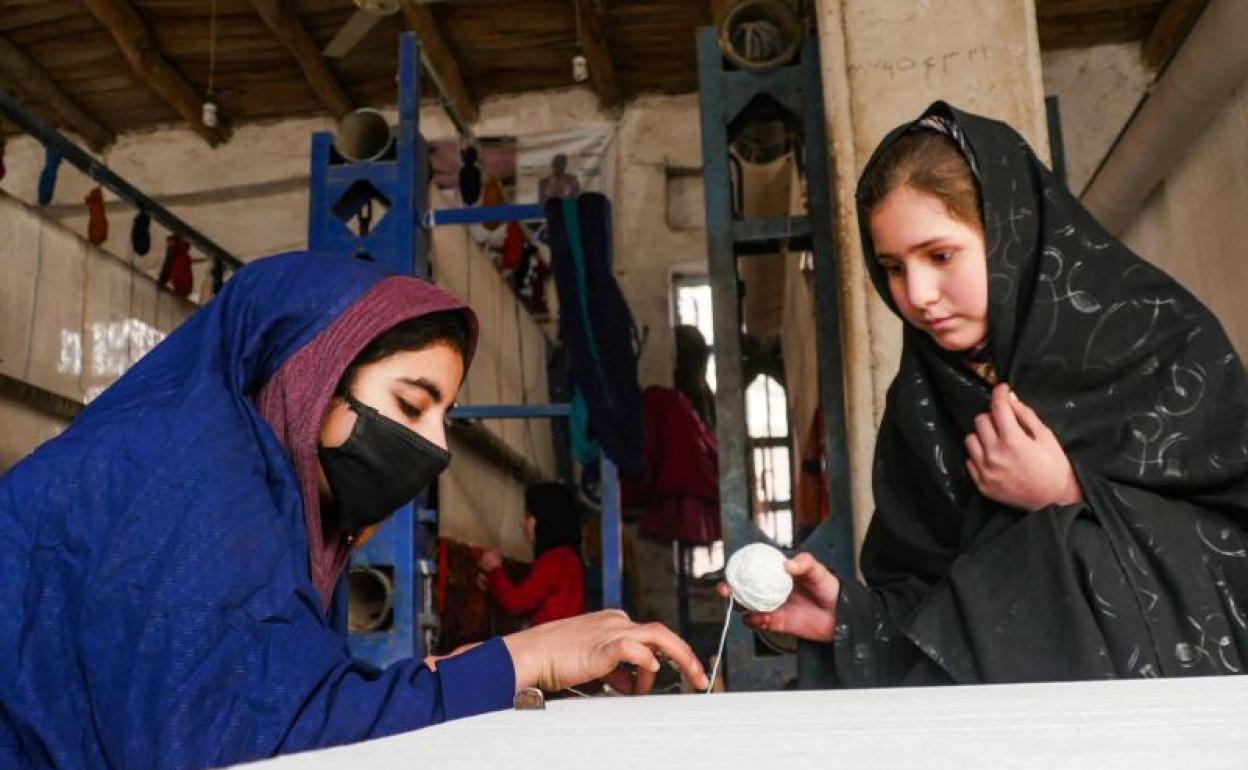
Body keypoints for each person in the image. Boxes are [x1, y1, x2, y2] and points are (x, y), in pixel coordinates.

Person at [0, 252, 707, 769]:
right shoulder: (192, 482)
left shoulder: (247, 488)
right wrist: (522, 657)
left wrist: (449, 675)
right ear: (313, 376)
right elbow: (239, 745)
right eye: (410, 404)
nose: (434, 445)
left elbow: (255, 690)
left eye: (444, 416)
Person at [724, 101, 1248, 685]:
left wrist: (1068, 493)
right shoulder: (922, 405)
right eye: (893, 268)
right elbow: (936, 609)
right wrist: (848, 620)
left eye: (940, 255)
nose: (917, 294)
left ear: (1009, 235)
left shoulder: (1158, 341)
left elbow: (1233, 538)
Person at [478, 483, 585, 626]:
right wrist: (494, 583)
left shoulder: (554, 560)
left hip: (549, 643)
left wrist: (494, 569)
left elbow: (517, 603)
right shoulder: (569, 558)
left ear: (544, 519)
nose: (522, 522)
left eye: (528, 516)